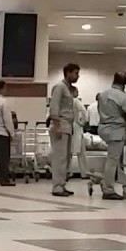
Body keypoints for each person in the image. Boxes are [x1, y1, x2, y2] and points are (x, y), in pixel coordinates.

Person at [96, 72, 126, 200]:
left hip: (103, 128)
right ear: (125, 82)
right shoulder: (123, 97)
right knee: (112, 161)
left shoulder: (103, 94)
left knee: (111, 159)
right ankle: (108, 189)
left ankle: (107, 182)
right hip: (116, 131)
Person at [48, 63, 80, 196]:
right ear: (68, 73)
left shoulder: (68, 89)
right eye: (76, 73)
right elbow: (54, 107)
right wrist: (57, 126)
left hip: (68, 126)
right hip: (60, 125)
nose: (77, 76)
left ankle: (62, 184)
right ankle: (57, 186)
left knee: (65, 158)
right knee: (59, 158)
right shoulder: (59, 87)